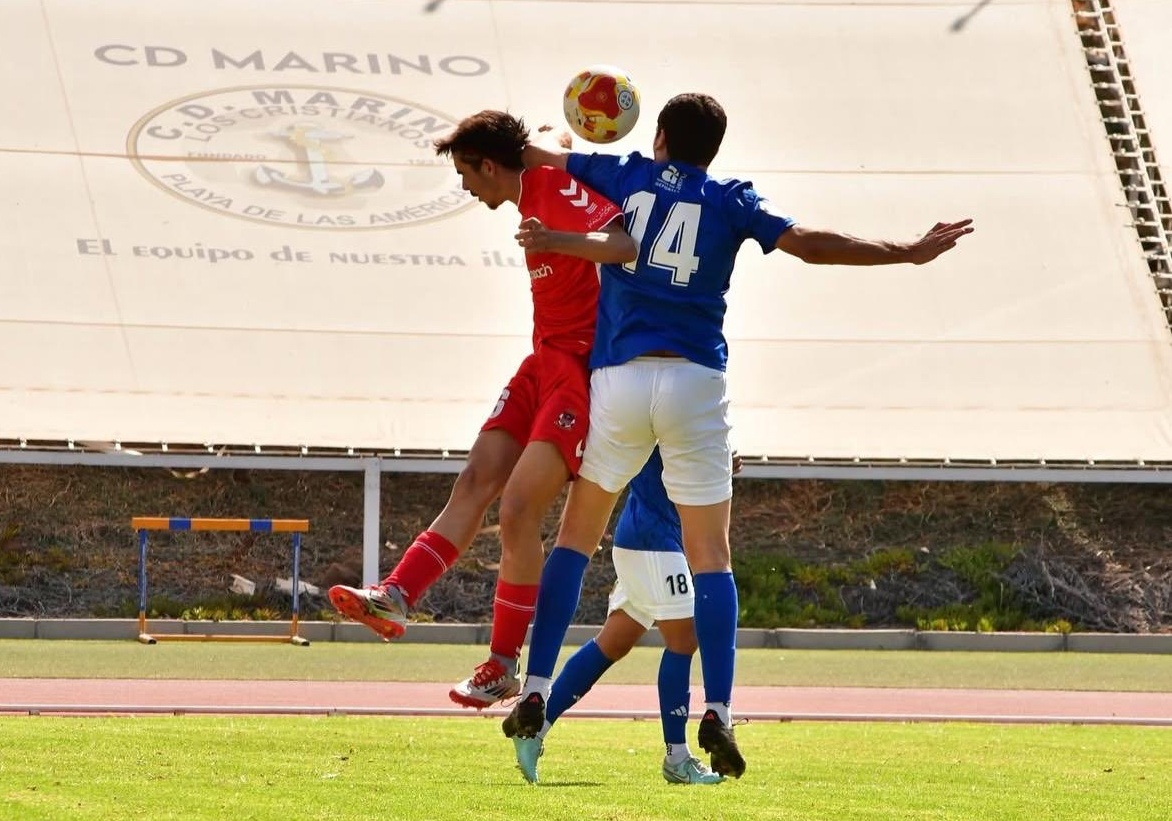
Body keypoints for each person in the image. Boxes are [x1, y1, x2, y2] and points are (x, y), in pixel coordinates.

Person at [503, 92, 974, 778]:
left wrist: (549, 130)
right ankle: (719, 707)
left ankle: (538, 686)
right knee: (711, 557)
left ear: (659, 134)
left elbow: (542, 153)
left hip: (623, 376)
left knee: (575, 536)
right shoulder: (730, 197)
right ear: (713, 149)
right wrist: (906, 251)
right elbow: (810, 244)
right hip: (695, 381)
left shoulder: (627, 171)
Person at [328, 110, 637, 709]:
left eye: (469, 175)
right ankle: (394, 596)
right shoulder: (536, 167)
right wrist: (557, 128)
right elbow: (554, 133)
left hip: (578, 372)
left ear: (491, 166)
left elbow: (623, 243)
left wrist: (557, 240)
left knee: (519, 511)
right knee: (474, 481)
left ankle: (502, 664)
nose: (468, 188)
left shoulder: (549, 193)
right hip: (540, 363)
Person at [506, 448, 743, 786]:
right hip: (653, 541)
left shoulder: (663, 407)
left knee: (613, 642)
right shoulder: (664, 405)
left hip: (646, 538)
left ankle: (534, 730)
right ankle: (677, 758)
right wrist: (712, 457)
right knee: (685, 639)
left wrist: (716, 461)